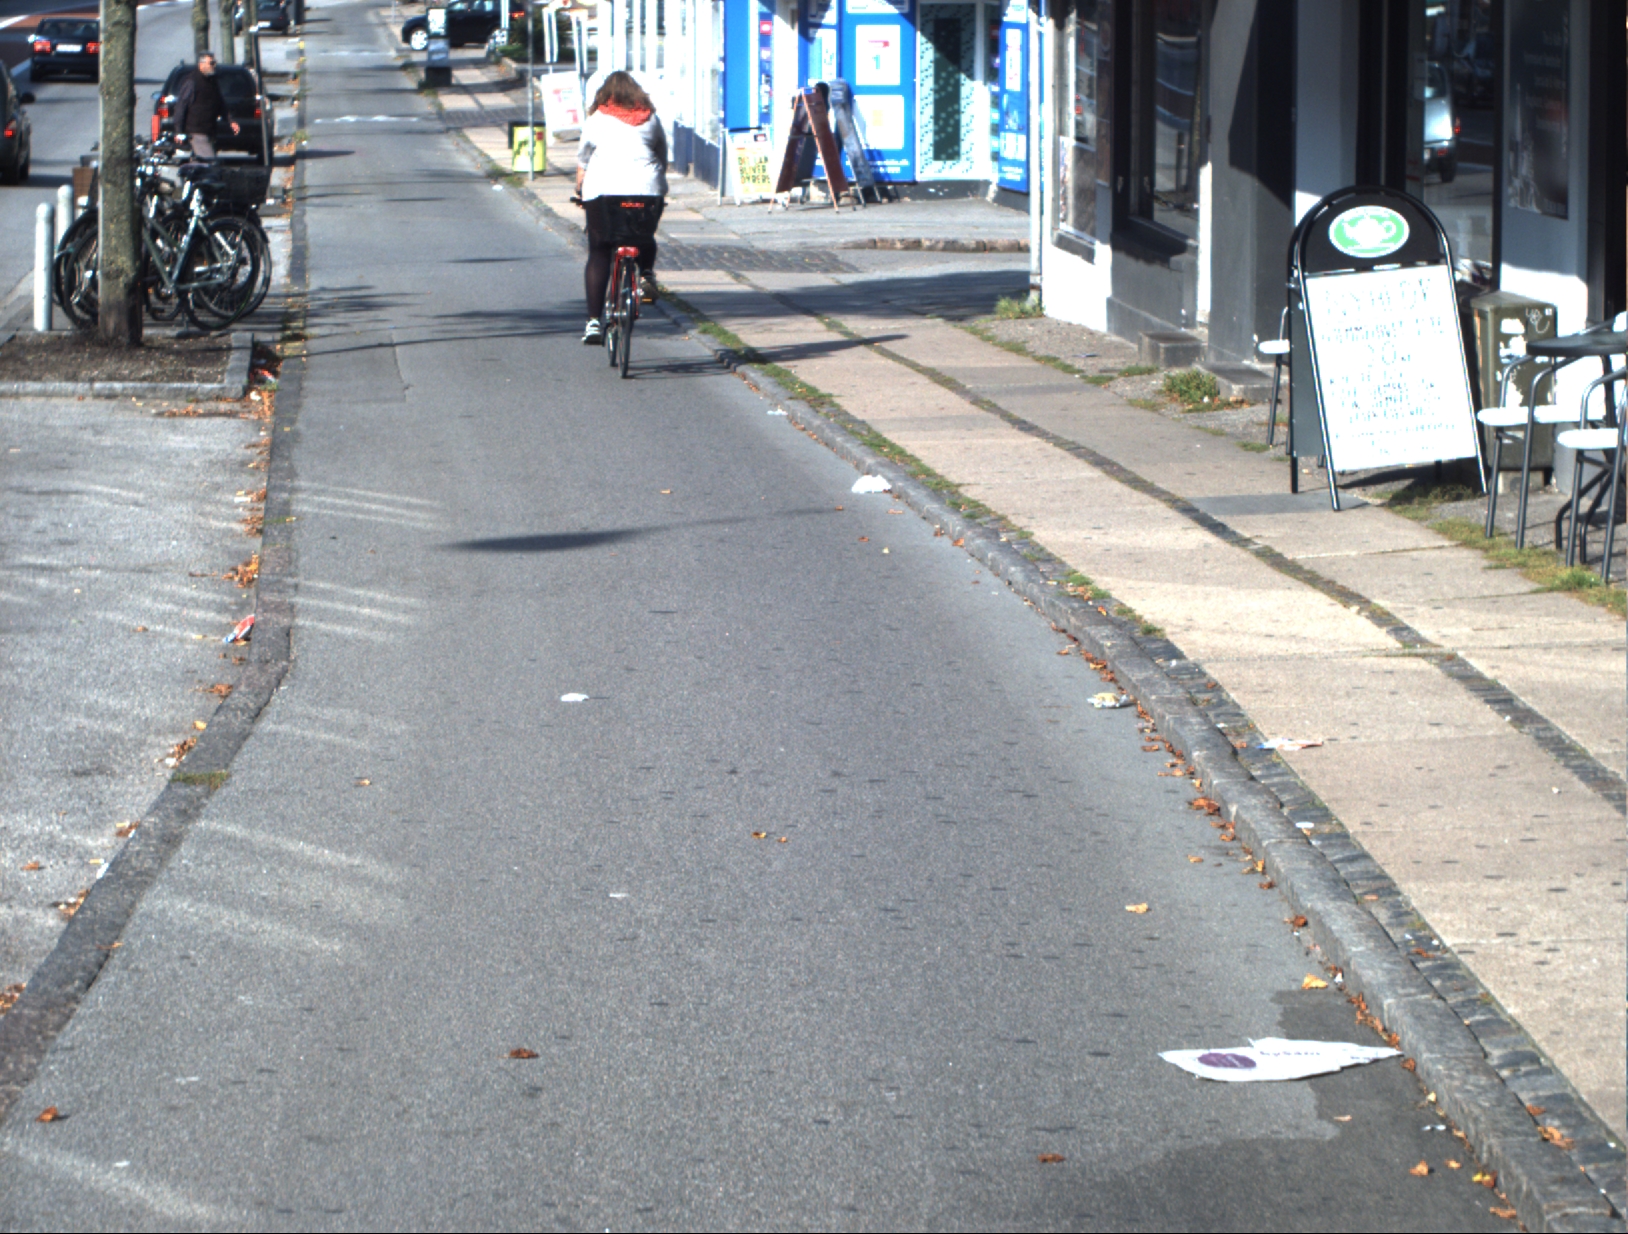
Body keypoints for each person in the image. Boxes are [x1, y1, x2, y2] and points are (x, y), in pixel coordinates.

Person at [574, 70, 667, 346]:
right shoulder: (650, 118)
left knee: (600, 249)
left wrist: (579, 187)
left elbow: (584, 158)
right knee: (644, 235)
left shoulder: (597, 119)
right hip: (647, 189)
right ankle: (646, 274)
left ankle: (593, 322)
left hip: (604, 190)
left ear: (605, 95)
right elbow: (662, 154)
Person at [173, 53, 239, 159]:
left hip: (209, 130)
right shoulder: (192, 81)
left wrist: (230, 121)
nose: (214, 66)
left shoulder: (212, 81)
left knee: (199, 164)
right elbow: (181, 106)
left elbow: (220, 103)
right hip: (196, 131)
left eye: (215, 63)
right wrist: (178, 131)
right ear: (201, 64)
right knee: (209, 161)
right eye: (211, 63)